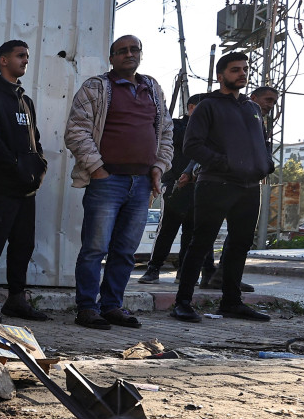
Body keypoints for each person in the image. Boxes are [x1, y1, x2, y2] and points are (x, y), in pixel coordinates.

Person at [64, 35, 173, 330]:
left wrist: (159, 168)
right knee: (95, 249)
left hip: (141, 185)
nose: (129, 54)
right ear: (111, 58)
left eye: (134, 49)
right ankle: (87, 307)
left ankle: (112, 306)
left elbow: (165, 133)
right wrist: (98, 170)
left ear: (141, 54)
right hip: (107, 181)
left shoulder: (152, 88)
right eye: (122, 51)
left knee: (125, 251)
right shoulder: (96, 87)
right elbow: (76, 132)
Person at [169, 52, 275, 323]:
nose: (242, 73)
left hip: (250, 187)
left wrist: (265, 164)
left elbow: (261, 143)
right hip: (216, 184)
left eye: (244, 69)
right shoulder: (208, 106)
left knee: (240, 244)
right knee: (201, 243)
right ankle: (182, 303)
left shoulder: (251, 109)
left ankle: (231, 302)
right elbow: (191, 146)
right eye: (235, 70)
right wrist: (224, 163)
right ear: (221, 75)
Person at [0, 40, 49, 322]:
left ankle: (17, 299)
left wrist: (39, 167)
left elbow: (35, 141)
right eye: (20, 56)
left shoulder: (25, 101)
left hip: (27, 188)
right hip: (2, 186)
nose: (25, 60)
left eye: (27, 56)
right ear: (3, 60)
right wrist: (17, 168)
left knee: (23, 244)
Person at [136, 94, 217, 285]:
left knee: (191, 232)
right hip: (175, 186)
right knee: (167, 230)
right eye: (203, 108)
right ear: (191, 107)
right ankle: (153, 269)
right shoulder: (177, 126)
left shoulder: (211, 131)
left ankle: (183, 272)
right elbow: (173, 145)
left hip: (199, 187)